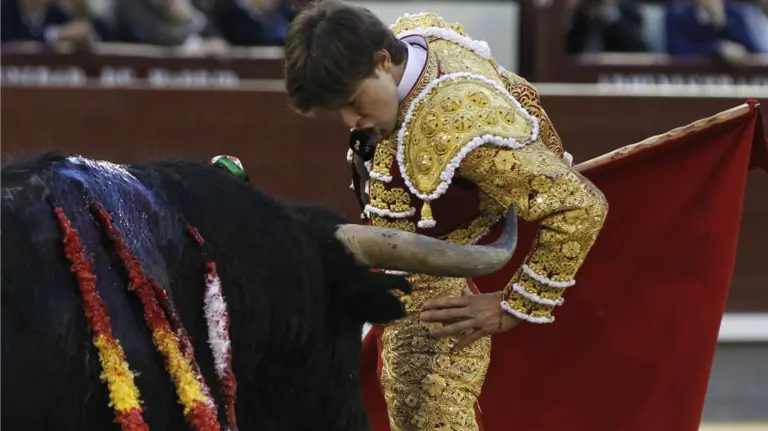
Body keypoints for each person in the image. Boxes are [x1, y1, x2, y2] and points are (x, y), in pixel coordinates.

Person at [283, 1, 608, 430]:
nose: (349, 120)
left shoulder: (458, 122)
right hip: (414, 287)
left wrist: (515, 306)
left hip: (445, 302)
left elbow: (579, 204)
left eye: (353, 101)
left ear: (383, 61)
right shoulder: (413, 37)